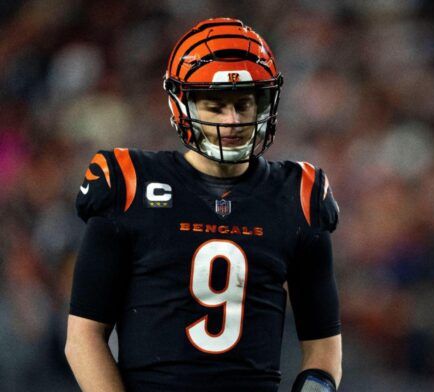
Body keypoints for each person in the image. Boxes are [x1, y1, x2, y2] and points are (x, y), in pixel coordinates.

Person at [64, 17, 342, 392]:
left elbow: (323, 349)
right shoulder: (128, 183)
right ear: (183, 104)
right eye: (215, 105)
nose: (233, 120)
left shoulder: (298, 195)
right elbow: (83, 338)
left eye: (244, 103)